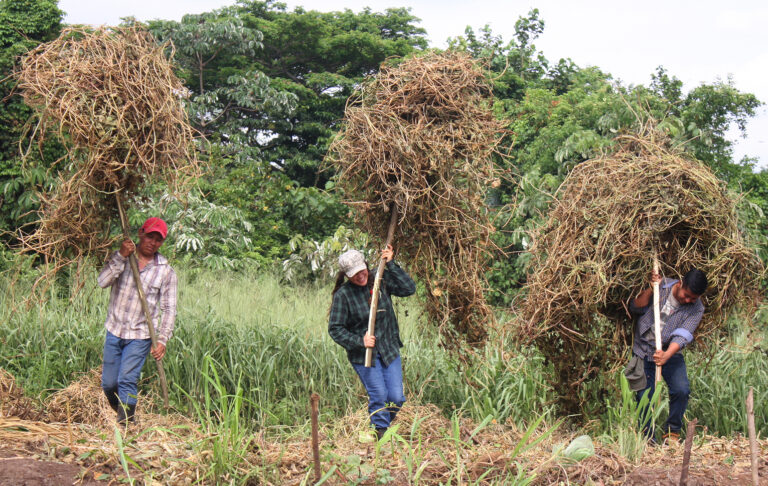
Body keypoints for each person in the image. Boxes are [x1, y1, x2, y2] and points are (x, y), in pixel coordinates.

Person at [328, 245, 416, 440]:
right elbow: (335, 329)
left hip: (388, 348)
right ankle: (380, 434)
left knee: (395, 398)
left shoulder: (380, 279)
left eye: (362, 271)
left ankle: (381, 425)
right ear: (347, 275)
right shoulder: (343, 296)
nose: (360, 277)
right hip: (364, 355)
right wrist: (360, 341)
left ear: (366, 265)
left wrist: (391, 264)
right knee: (379, 395)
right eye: (354, 275)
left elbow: (409, 289)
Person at [97, 217, 178, 424]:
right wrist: (121, 257)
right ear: (141, 233)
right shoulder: (124, 257)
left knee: (127, 380)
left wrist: (162, 340)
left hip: (140, 336)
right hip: (114, 329)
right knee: (109, 384)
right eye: (150, 236)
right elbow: (102, 282)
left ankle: (125, 427)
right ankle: (125, 415)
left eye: (158, 240)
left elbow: (169, 309)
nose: (153, 242)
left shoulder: (165, 272)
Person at [629, 267, 707, 442]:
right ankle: (646, 438)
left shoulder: (697, 308)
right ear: (680, 284)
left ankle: (672, 433)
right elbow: (635, 306)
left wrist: (666, 355)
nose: (687, 300)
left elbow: (683, 334)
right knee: (643, 396)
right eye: (685, 295)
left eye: (692, 298)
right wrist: (651, 288)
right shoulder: (661, 285)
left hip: (670, 352)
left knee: (681, 389)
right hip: (643, 350)